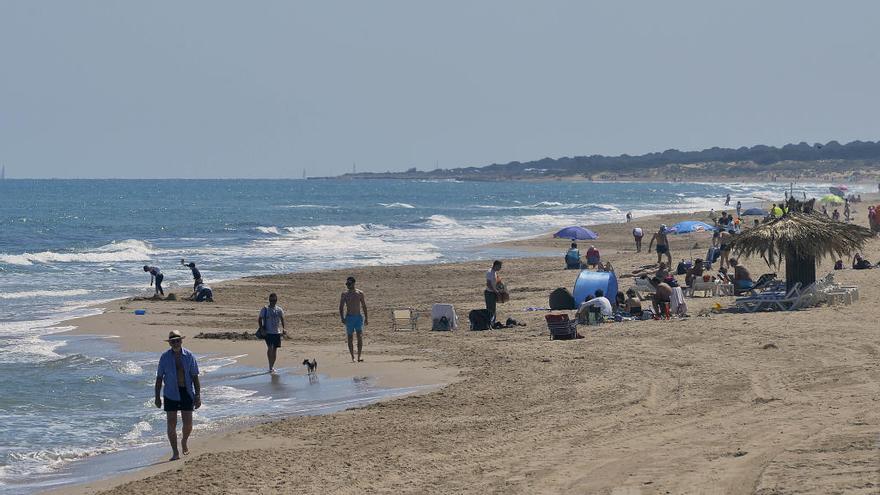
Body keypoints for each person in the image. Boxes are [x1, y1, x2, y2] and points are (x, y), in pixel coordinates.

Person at [154, 330, 201, 461]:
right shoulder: (164, 357)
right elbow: (159, 378)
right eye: (172, 341)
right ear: (169, 343)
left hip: (186, 391)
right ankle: (175, 452)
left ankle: (184, 441)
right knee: (171, 423)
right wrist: (157, 397)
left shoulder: (189, 355)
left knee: (188, 424)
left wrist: (198, 395)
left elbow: (195, 377)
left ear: (181, 341)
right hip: (170, 393)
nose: (175, 343)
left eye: (177, 340)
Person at [339, 276, 368, 362]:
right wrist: (342, 318)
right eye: (347, 284)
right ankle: (353, 357)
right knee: (350, 337)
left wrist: (366, 318)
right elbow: (341, 307)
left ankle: (359, 356)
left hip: (358, 318)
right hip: (349, 318)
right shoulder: (344, 294)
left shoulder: (360, 293)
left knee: (359, 336)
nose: (347, 285)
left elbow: (364, 306)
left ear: (353, 283)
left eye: (349, 284)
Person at [258, 293, 286, 373]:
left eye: (274, 300)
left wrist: (284, 328)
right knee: (270, 348)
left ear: (276, 300)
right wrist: (261, 329)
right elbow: (260, 319)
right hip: (268, 332)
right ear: (269, 300)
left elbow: (282, 319)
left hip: (277, 332)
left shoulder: (279, 309)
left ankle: (272, 366)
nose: (272, 302)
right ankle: (270, 366)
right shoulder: (265, 309)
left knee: (274, 350)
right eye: (271, 300)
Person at [484, 260, 502, 324]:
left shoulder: (494, 272)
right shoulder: (490, 272)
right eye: (500, 266)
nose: (500, 268)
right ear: (496, 265)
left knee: (493, 309)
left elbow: (495, 281)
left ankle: (492, 322)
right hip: (489, 293)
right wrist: (496, 291)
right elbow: (488, 284)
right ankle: (490, 323)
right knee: (490, 309)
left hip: (492, 292)